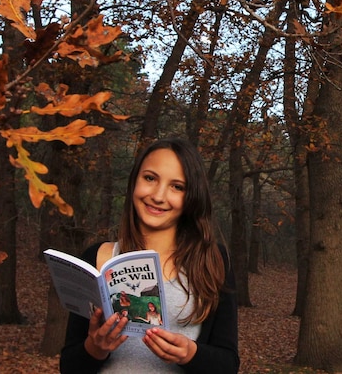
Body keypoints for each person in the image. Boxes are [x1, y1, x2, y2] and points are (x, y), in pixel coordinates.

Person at [60, 138, 239, 373]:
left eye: (177, 186)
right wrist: (95, 348)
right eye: (150, 178)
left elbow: (228, 365)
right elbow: (69, 367)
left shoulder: (212, 261)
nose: (158, 195)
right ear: (134, 181)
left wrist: (190, 353)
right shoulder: (96, 258)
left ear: (191, 197)